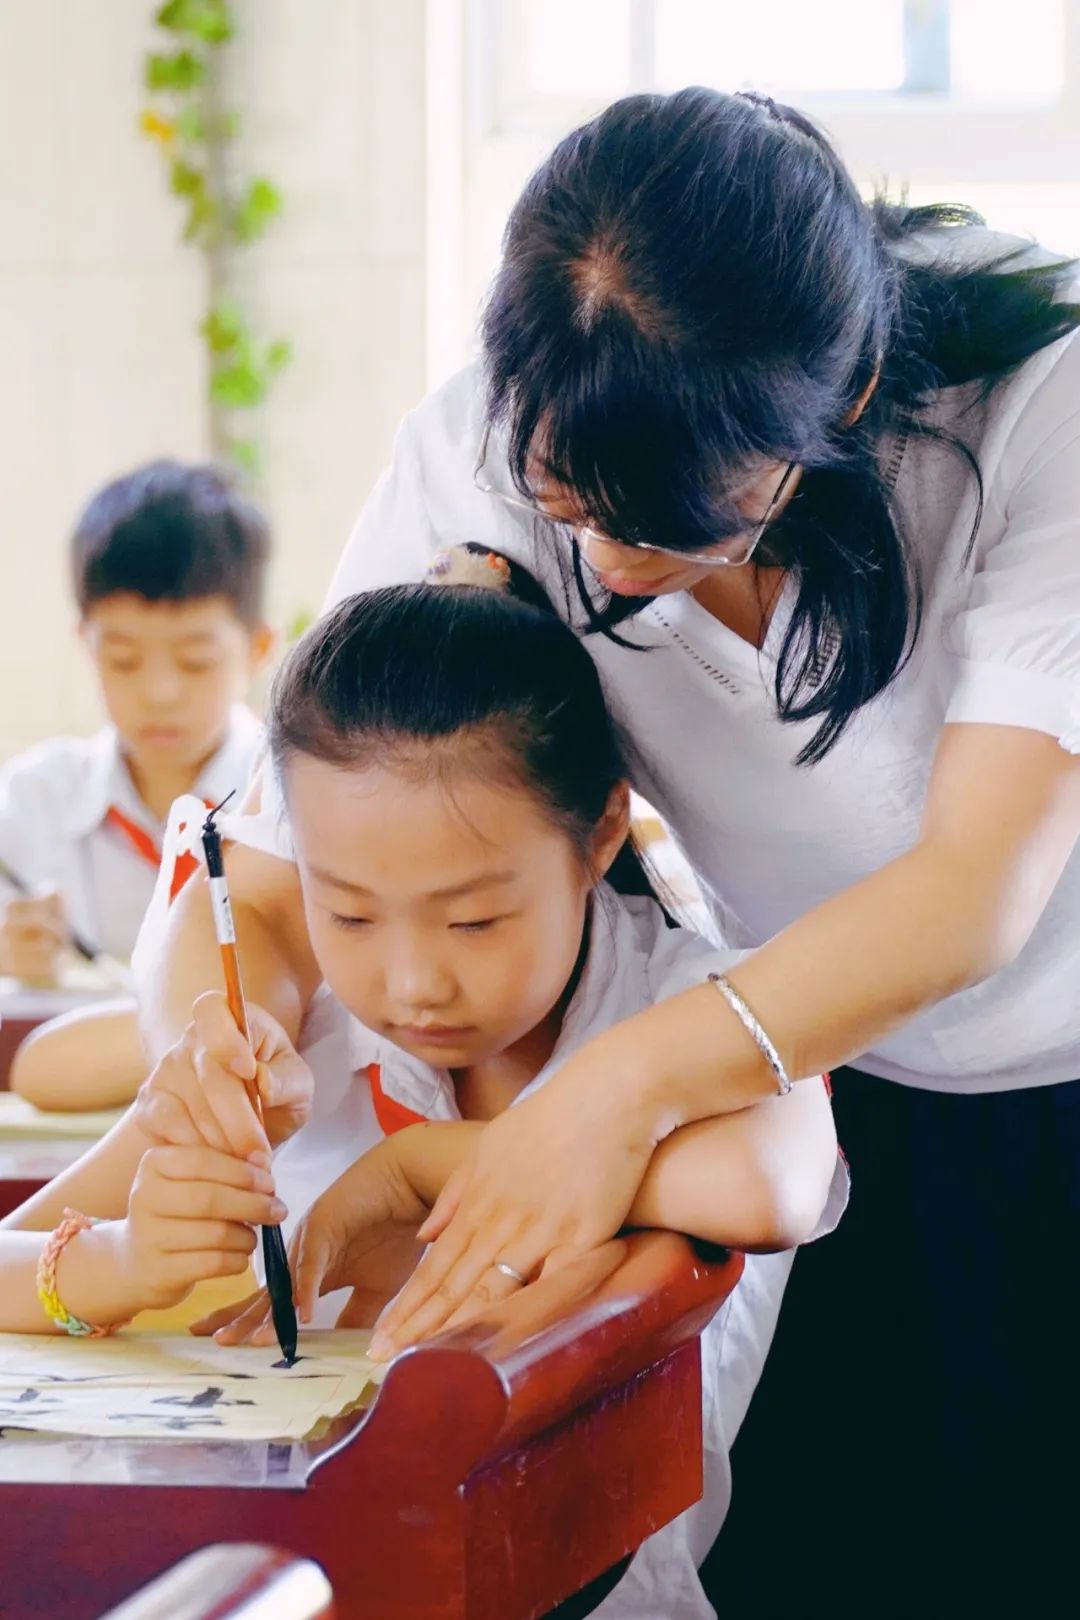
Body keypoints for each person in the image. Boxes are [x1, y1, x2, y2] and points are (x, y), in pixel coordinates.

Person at [141, 86, 1080, 1609]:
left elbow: (976, 893)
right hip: (817, 1071)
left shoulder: (1040, 407)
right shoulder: (487, 439)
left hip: (1025, 1078)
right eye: (575, 511)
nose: (610, 568)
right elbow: (285, 839)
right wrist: (212, 1035)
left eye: (670, 524)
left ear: (828, 418)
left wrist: (608, 1097)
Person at [1, 548, 844, 1620]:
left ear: (598, 837)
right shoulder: (294, 1030)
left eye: (474, 920)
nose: (409, 983)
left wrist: (415, 1170)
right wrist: (120, 1264)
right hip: (280, 1568)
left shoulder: (697, 1006)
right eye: (346, 912)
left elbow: (765, 1184)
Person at [0, 459, 271, 984]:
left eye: (196, 660)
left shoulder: (294, 801)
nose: (158, 693)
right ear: (86, 642)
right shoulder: (29, 804)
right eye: (123, 659)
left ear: (258, 648)